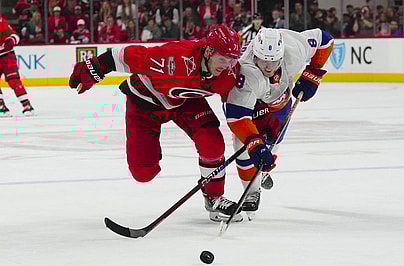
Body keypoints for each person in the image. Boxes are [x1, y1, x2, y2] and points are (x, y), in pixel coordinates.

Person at [69, 24, 243, 222]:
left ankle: (214, 198)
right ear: (208, 52)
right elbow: (119, 56)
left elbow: (244, 102)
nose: (227, 66)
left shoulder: (230, 72)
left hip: (185, 102)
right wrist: (92, 71)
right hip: (145, 104)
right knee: (143, 173)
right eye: (222, 59)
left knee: (212, 143)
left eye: (231, 60)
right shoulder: (172, 59)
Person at [224, 28, 334, 216]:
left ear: (281, 54)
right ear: (254, 54)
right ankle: (251, 192)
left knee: (272, 145)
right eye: (264, 61)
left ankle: (262, 172)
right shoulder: (245, 71)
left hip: (280, 103)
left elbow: (325, 39)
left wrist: (313, 73)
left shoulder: (294, 49)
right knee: (241, 144)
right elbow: (237, 117)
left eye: (273, 61)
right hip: (252, 107)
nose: (269, 66)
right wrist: (254, 144)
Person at [0, 16, 35, 117]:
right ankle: (1, 106)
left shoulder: (2, 23)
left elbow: (15, 36)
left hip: (7, 55)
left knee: (13, 79)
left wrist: (11, 41)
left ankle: (26, 105)